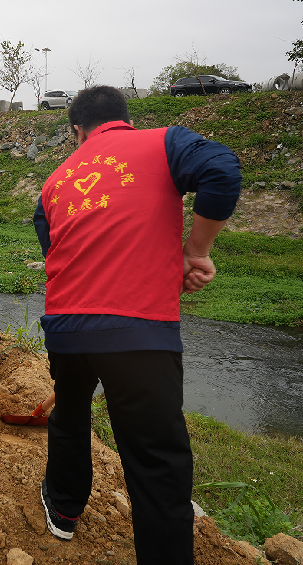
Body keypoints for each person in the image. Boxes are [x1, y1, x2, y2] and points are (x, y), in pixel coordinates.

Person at [32, 86, 241, 564]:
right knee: (155, 460)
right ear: (125, 118)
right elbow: (222, 170)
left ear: (77, 130)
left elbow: (53, 246)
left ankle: (63, 510)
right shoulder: (164, 142)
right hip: (138, 331)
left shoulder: (56, 180)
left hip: (65, 328)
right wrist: (195, 251)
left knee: (69, 416)